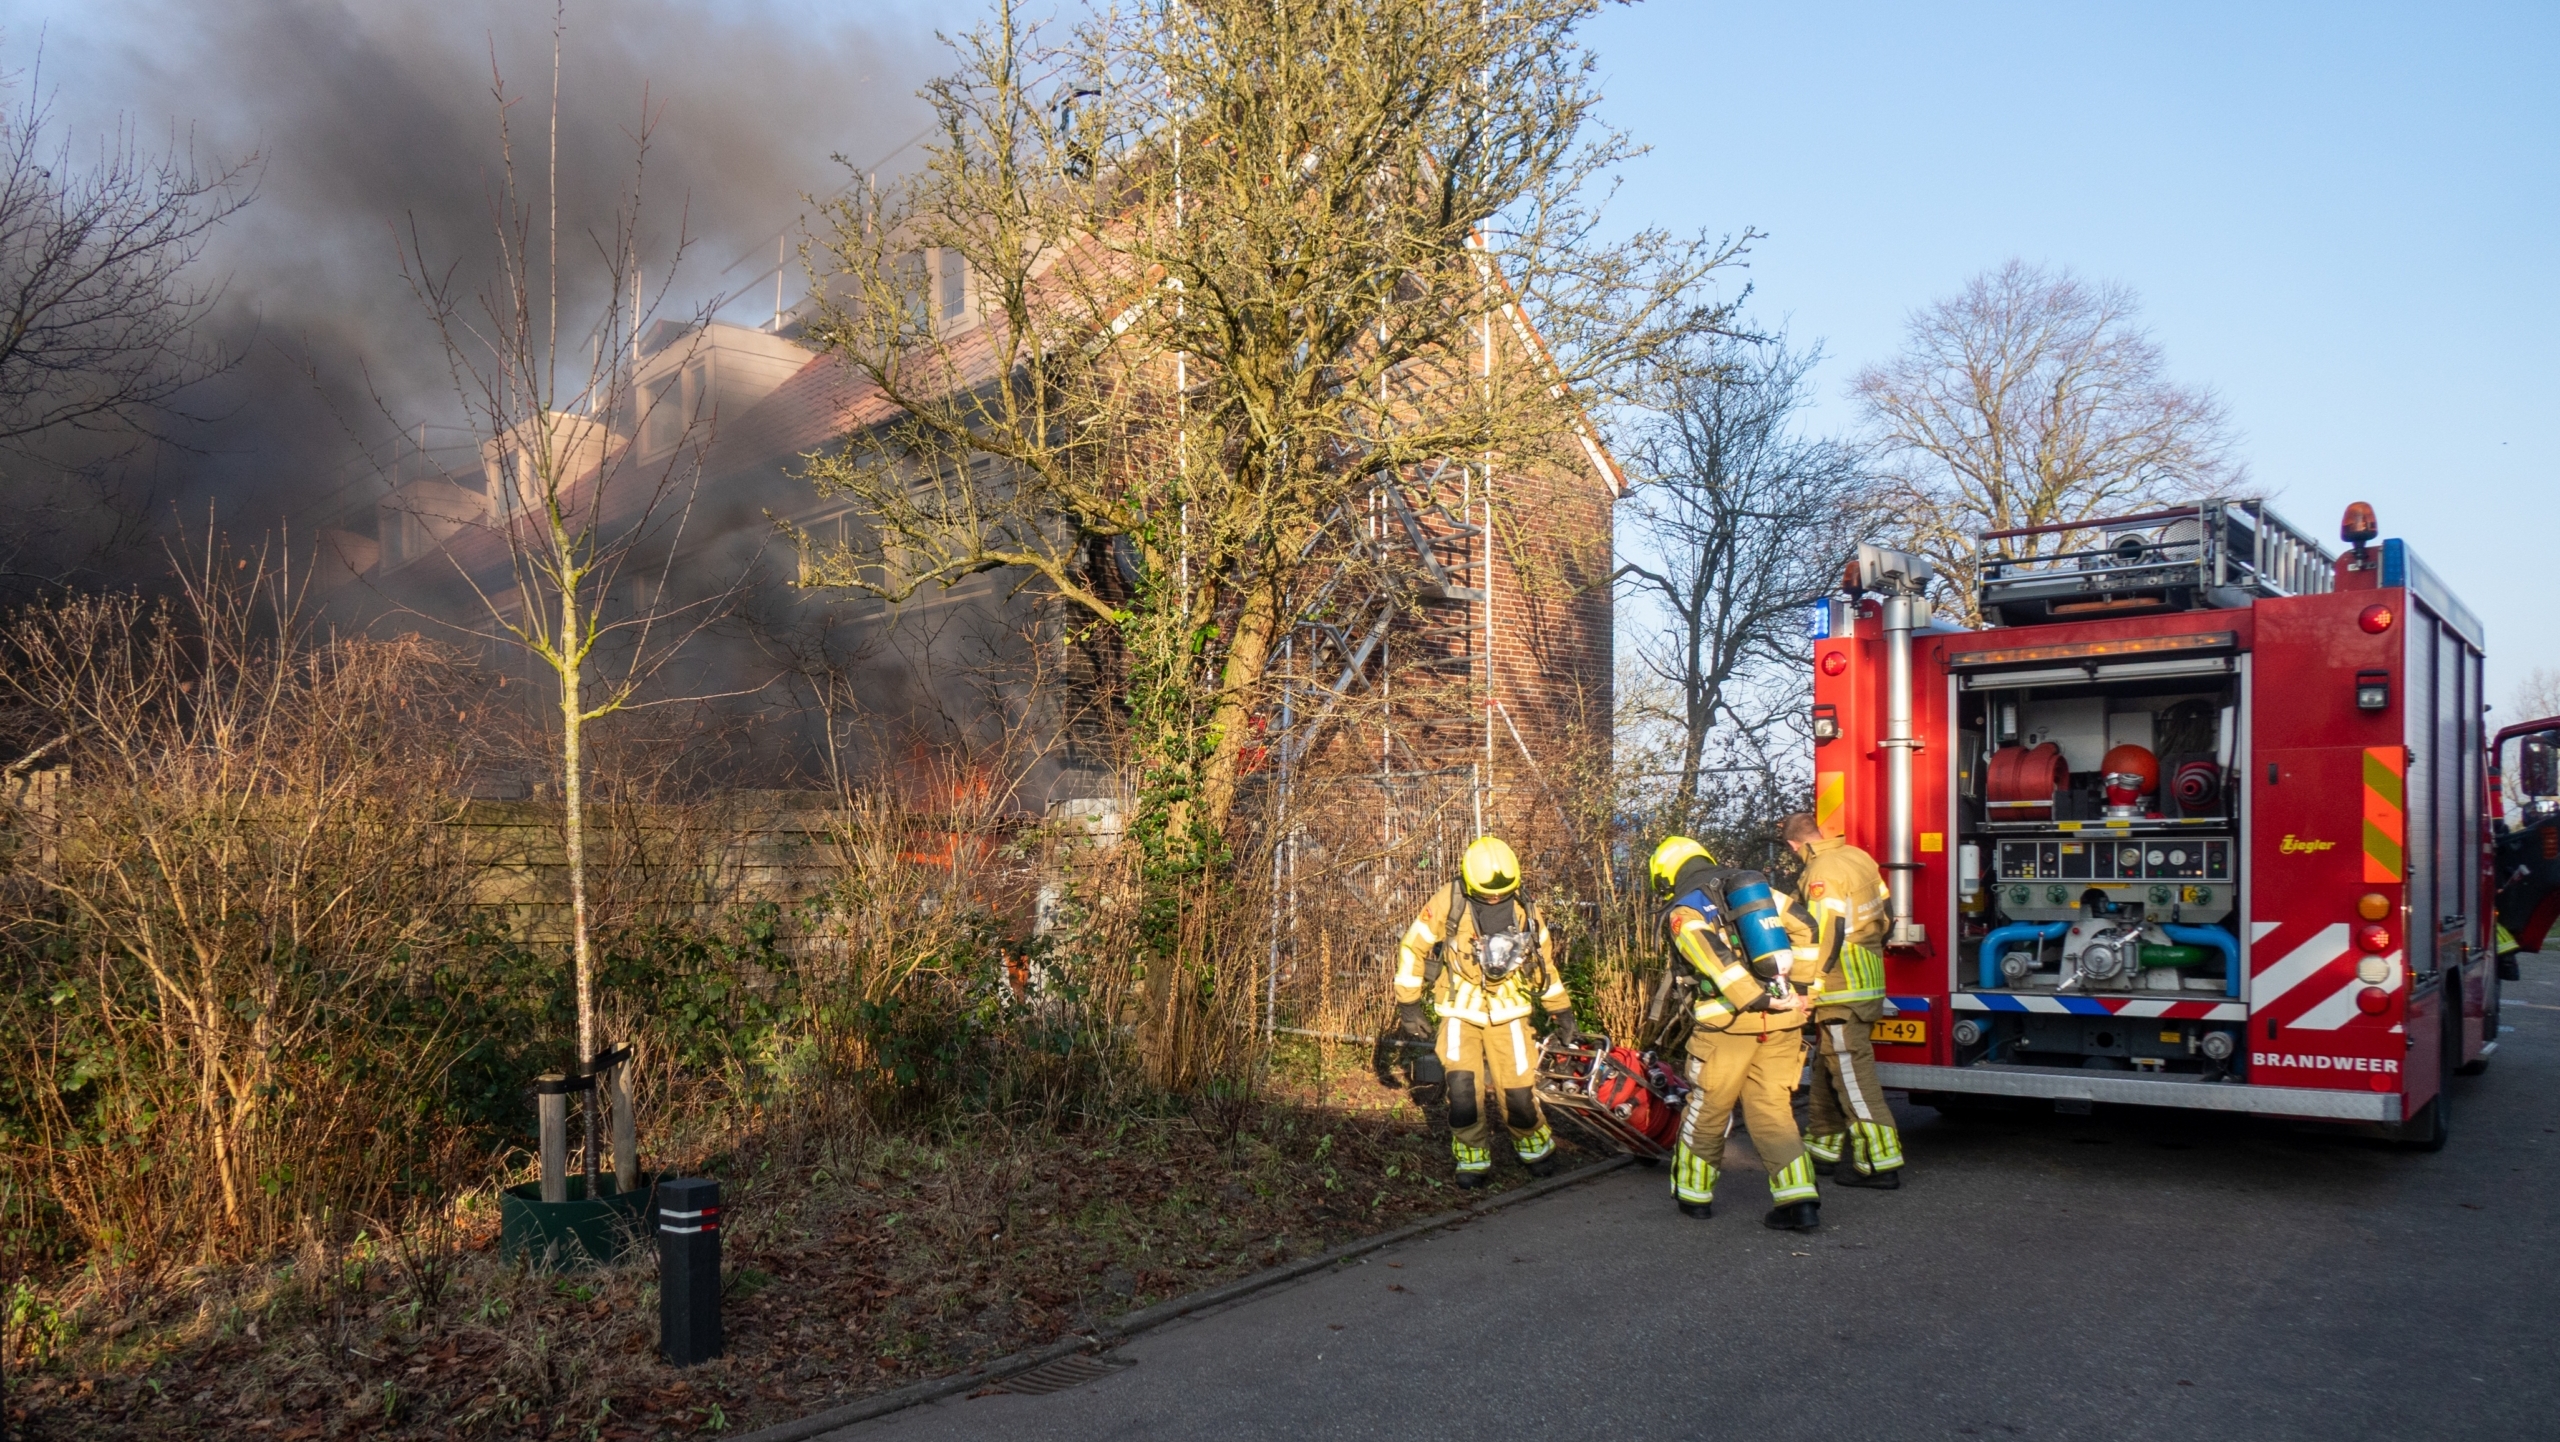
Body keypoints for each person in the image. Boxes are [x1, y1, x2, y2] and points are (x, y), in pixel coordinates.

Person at [1647, 836, 1823, 1230]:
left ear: (1668, 874)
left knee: (1708, 1108)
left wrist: (1754, 998)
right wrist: (1801, 991)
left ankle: (1694, 1196)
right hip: (1783, 1022)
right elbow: (1807, 927)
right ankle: (1799, 1200)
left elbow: (1708, 952)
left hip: (1727, 1026)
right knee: (1774, 1111)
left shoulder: (1686, 908)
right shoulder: (1752, 890)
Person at [1393, 835, 1580, 1187]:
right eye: (1488, 893)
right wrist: (1408, 1004)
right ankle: (1472, 1156)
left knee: (1519, 1093)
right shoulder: (1449, 900)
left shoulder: (1525, 909)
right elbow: (1413, 947)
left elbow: (1545, 967)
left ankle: (1535, 1147)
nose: (1495, 898)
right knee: (1462, 1092)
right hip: (1459, 1010)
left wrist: (1562, 1011)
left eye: (1502, 892)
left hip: (1509, 1012)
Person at [1780, 812, 1905, 1188]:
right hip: (1865, 980)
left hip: (1839, 989)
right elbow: (1887, 914)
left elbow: (1825, 932)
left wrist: (1808, 987)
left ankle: (1881, 1163)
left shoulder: (1821, 871)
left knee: (1852, 1076)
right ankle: (1822, 1148)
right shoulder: (1857, 856)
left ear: (1793, 845)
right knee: (1828, 1067)